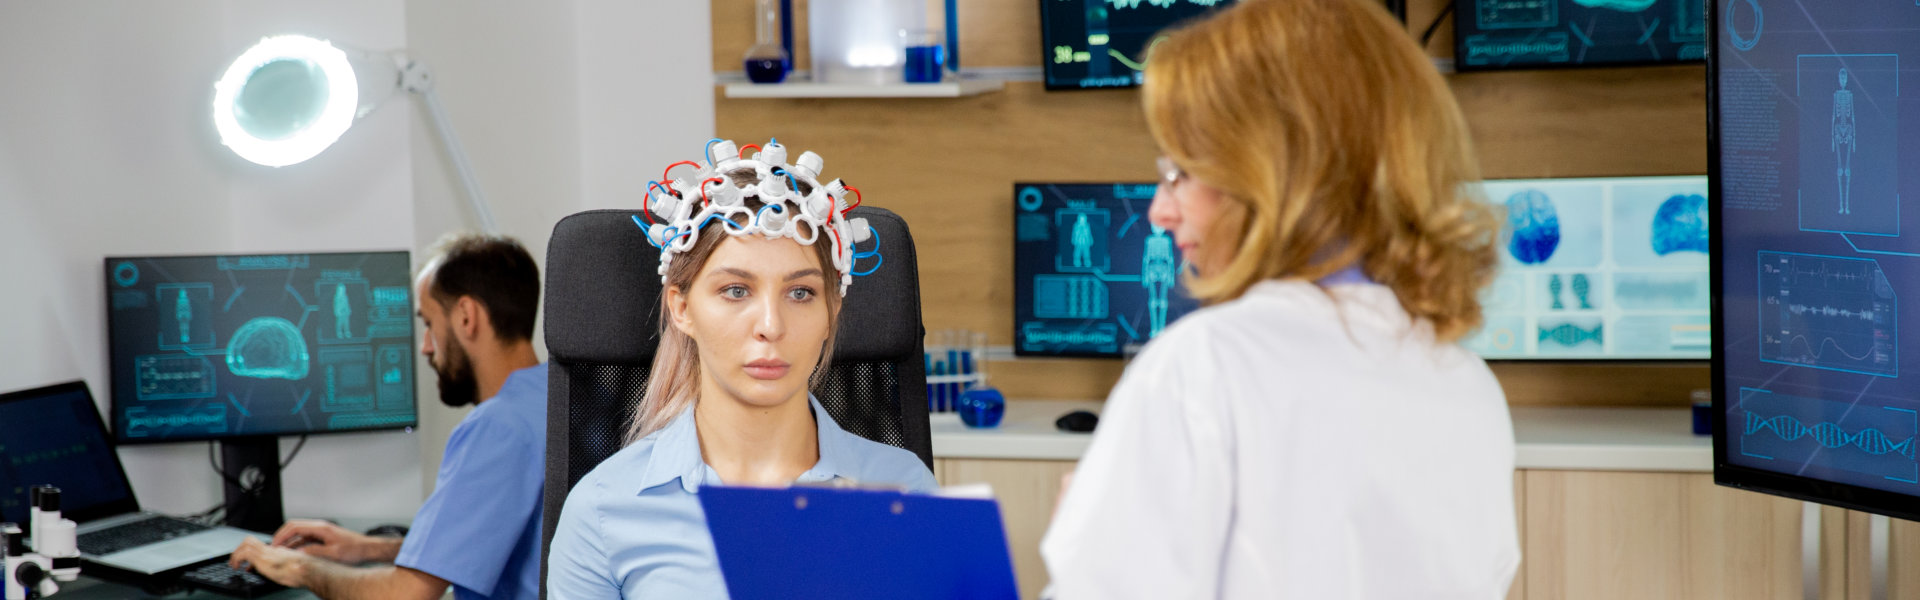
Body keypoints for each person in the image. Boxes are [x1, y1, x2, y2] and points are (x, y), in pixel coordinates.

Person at [1040, 0, 1520, 597]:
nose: (1160, 211)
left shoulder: (1205, 367)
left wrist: (1087, 536)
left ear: (1271, 173)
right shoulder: (1464, 381)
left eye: (1181, 173)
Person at [546, 139, 935, 598]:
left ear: (831, 312)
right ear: (682, 308)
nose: (771, 326)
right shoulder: (604, 508)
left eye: (801, 293)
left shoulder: (903, 490)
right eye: (735, 290)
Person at [228, 234, 548, 600]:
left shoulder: (496, 428)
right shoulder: (558, 398)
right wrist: (366, 548)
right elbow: (487, 544)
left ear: (465, 316)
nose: (426, 346)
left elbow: (403, 594)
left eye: (429, 323)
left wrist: (297, 568)